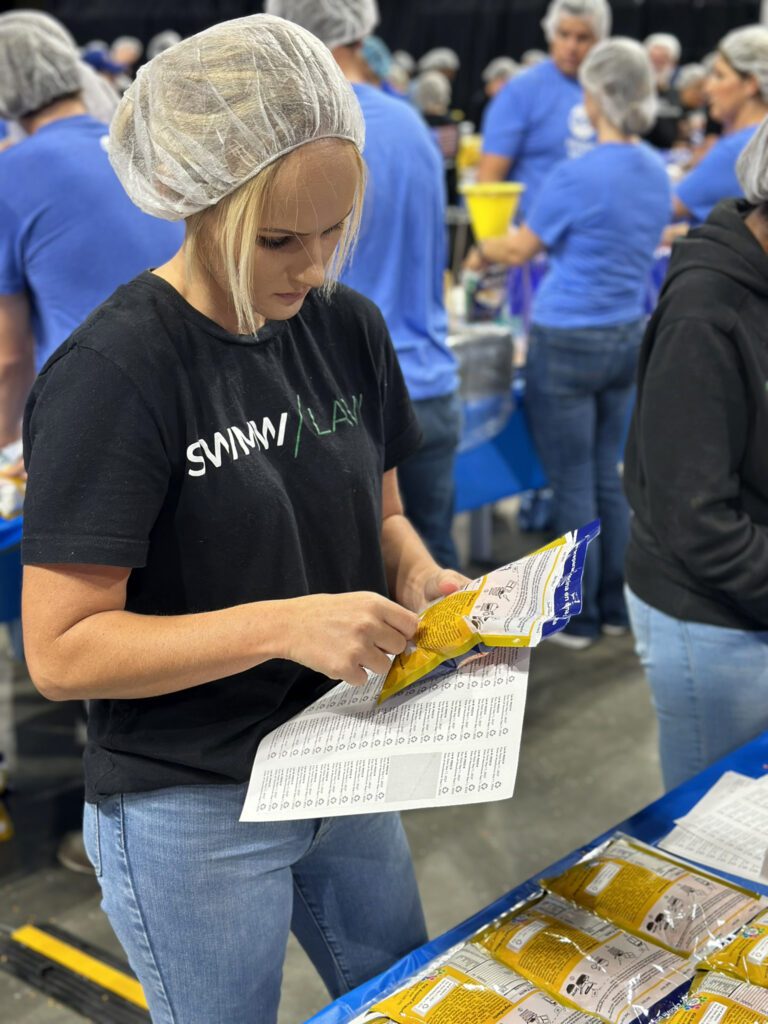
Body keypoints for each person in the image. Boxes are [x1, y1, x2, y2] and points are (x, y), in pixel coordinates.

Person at [21, 15, 467, 1021]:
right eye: (277, 239)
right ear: (196, 198)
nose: (309, 268)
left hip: (341, 749)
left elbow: (380, 509)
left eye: (331, 234)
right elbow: (62, 649)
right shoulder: (118, 375)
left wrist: (416, 569)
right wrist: (287, 621)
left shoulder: (345, 327)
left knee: (405, 990)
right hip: (193, 795)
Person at [467, 39, 671, 647]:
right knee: (609, 475)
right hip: (626, 333)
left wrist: (486, 243)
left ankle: (575, 618)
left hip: (569, 337)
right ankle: (614, 607)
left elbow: (521, 248)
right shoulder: (655, 170)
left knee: (573, 480)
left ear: (596, 96)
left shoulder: (575, 175)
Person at [267, 0, 462, 570]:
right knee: (436, 579)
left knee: (358, 583)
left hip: (347, 401)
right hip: (431, 381)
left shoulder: (314, 141)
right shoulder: (411, 124)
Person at [624, 119, 768, 791]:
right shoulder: (707, 315)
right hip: (710, 618)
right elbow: (696, 520)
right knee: (717, 823)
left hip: (750, 591)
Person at [0, 21, 183, 453]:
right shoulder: (140, 147)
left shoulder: (11, 175)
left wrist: (9, 449)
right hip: (196, 392)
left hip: (94, 412)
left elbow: (10, 357)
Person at [477, 0, 611, 217]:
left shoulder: (607, 92)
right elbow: (488, 181)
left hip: (592, 234)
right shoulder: (520, 91)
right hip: (532, 239)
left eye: (583, 38)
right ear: (550, 34)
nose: (571, 46)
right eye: (564, 34)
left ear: (599, 41)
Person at [673, 26, 768, 226]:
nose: (708, 87)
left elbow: (669, 207)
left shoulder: (739, 149)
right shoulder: (754, 140)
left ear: (751, 83)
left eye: (719, 75)